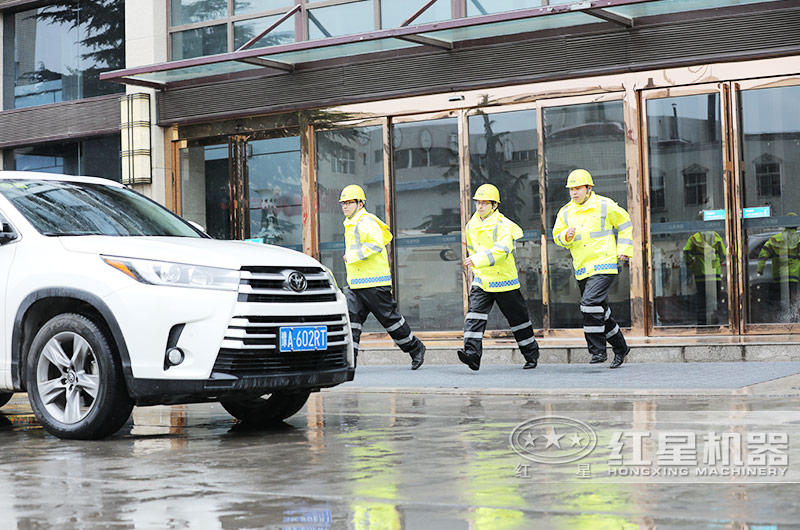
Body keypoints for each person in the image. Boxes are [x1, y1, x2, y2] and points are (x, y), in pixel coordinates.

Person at [552, 169, 633, 368]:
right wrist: (566, 237)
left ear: (589, 188)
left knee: (588, 304)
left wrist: (623, 249)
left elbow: (625, 223)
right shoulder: (565, 212)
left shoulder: (604, 205)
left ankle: (597, 351)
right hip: (582, 268)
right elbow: (557, 236)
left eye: (578, 188)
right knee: (601, 311)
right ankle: (621, 347)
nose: (574, 192)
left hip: (604, 263)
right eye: (571, 189)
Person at [340, 184, 426, 370]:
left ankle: (416, 348)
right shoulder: (351, 223)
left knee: (391, 321)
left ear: (360, 204)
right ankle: (349, 361)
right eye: (343, 203)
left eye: (349, 202)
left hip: (374, 283)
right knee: (350, 323)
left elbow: (376, 244)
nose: (345, 206)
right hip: (355, 284)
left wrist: (352, 256)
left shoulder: (366, 221)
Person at [457, 184, 540, 371]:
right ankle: (471, 355)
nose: (480, 206)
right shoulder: (471, 225)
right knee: (474, 317)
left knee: (518, 320)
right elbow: (472, 249)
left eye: (485, 203)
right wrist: (476, 267)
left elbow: (502, 251)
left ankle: (531, 355)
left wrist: (476, 260)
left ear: (494, 205)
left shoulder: (504, 225)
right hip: (483, 280)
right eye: (478, 202)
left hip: (504, 281)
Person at [683, 217, 726, 325]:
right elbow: (724, 254)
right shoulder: (715, 236)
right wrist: (718, 262)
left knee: (702, 300)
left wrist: (691, 265)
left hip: (700, 273)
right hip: (714, 273)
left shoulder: (694, 238)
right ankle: (715, 322)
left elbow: (686, 252)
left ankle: (702, 322)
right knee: (715, 300)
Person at [757, 212, 800, 316]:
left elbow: (763, 254)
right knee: (793, 299)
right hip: (793, 275)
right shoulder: (798, 239)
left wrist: (760, 269)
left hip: (778, 275)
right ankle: (792, 317)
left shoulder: (775, 238)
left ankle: (780, 317)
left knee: (779, 299)